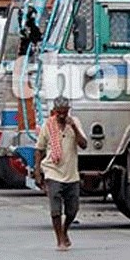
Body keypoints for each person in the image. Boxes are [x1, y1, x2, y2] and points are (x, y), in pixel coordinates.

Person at [34, 96, 88, 250]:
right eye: (59, 113)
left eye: (65, 113)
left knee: (73, 209)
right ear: (53, 112)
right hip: (53, 172)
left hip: (71, 174)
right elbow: (39, 150)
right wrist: (38, 172)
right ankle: (60, 239)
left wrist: (74, 128)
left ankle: (65, 230)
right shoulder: (48, 126)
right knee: (56, 209)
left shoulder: (74, 123)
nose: (62, 116)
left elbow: (83, 144)